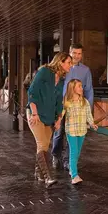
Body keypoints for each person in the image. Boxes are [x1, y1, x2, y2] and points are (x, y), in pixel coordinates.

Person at [26, 52, 72, 188]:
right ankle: (48, 177)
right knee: (42, 144)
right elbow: (32, 93)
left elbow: (59, 101)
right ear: (60, 62)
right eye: (69, 62)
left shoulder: (62, 80)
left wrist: (58, 120)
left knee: (45, 145)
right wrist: (34, 114)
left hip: (49, 117)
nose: (71, 65)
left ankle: (38, 172)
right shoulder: (44, 72)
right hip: (36, 114)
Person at [51, 43, 94, 171]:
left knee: (73, 134)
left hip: (77, 108)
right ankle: (56, 156)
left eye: (79, 53)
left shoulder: (85, 70)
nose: (76, 56)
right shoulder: (63, 67)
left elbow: (89, 90)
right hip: (62, 106)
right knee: (59, 133)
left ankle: (68, 161)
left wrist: (88, 110)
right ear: (69, 52)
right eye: (74, 53)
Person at [62, 79, 98, 184]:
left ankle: (72, 169)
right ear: (72, 88)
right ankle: (74, 176)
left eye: (81, 86)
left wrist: (92, 124)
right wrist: (57, 122)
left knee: (77, 153)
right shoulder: (67, 102)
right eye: (79, 86)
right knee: (73, 152)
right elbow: (61, 114)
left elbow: (88, 115)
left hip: (82, 130)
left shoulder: (84, 102)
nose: (82, 88)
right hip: (71, 131)